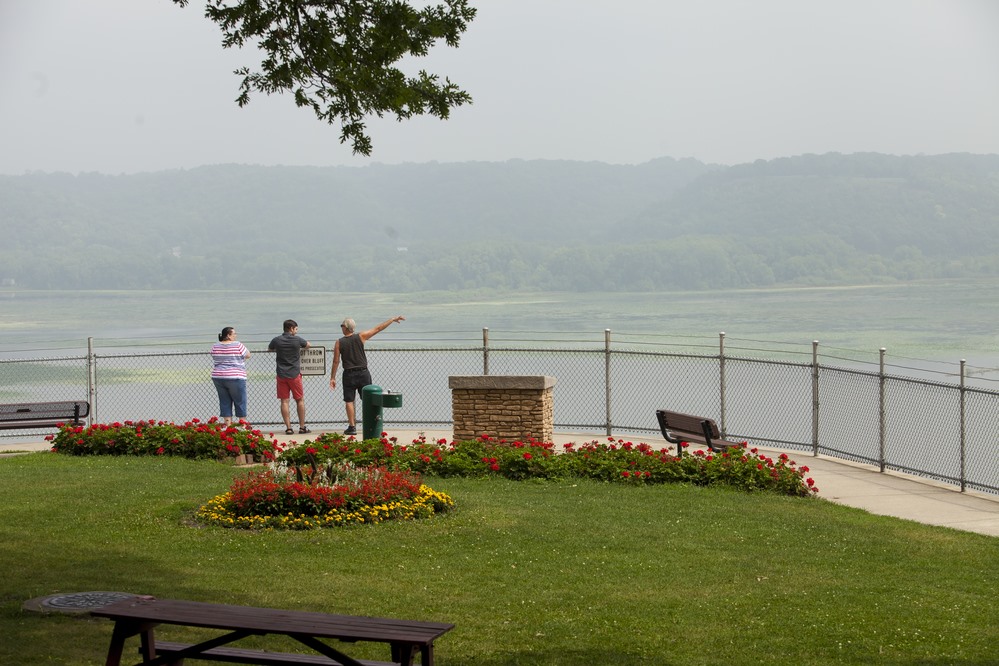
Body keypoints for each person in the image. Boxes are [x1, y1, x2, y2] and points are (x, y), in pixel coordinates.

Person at [330, 315, 405, 436]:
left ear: (346, 328)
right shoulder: (361, 337)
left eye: (342, 325)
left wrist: (332, 377)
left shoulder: (339, 342)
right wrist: (391, 320)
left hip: (349, 373)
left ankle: (352, 426)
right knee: (368, 398)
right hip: (363, 373)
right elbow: (378, 328)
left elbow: (336, 361)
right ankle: (371, 422)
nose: (341, 327)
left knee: (349, 400)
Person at [268, 319, 310, 435]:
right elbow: (307, 345)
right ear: (291, 328)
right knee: (299, 400)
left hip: (281, 375)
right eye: (295, 329)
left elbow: (270, 348)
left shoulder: (277, 340)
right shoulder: (297, 340)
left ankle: (288, 428)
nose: (296, 331)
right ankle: (302, 427)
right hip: (295, 374)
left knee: (284, 401)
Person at [210, 326, 250, 425]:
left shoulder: (215, 346)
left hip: (218, 376)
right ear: (228, 335)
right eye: (234, 334)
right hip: (235, 376)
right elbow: (248, 355)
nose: (235, 336)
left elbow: (213, 355)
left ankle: (228, 426)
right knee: (240, 400)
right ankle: (243, 424)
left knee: (224, 401)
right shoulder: (238, 345)